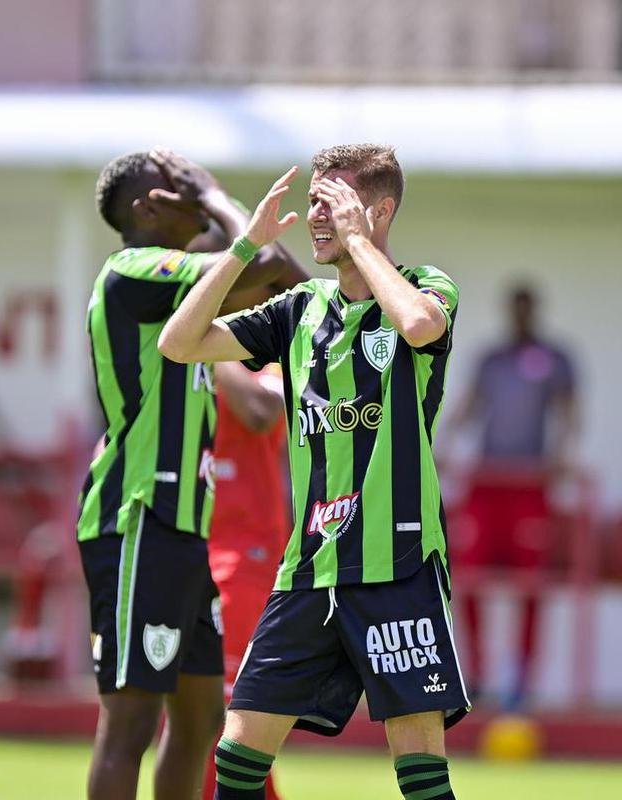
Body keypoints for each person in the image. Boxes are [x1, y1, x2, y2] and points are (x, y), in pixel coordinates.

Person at [160, 144, 468, 800]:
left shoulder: (426, 285)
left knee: (418, 765)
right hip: (307, 570)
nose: (316, 218)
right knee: (237, 753)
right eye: (313, 204)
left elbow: (416, 326)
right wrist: (245, 247)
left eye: (333, 203)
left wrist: (360, 244)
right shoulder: (297, 311)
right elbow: (178, 343)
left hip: (399, 566)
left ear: (379, 210)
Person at [79, 148, 304, 800]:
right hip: (135, 517)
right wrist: (212, 193)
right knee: (130, 722)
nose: (188, 196)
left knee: (201, 716)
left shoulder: (183, 285)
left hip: (183, 532)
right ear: (149, 209)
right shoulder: (135, 271)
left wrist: (216, 205)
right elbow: (261, 260)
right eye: (172, 189)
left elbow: (282, 276)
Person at [438, 284, 579, 709]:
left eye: (526, 308)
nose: (519, 316)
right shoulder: (491, 359)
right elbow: (469, 406)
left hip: (529, 484)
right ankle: (477, 670)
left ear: (535, 310)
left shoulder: (555, 358)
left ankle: (522, 674)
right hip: (487, 480)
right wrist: (443, 445)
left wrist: (561, 457)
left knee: (530, 580)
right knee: (470, 574)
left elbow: (569, 412)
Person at [200, 357, 289, 800]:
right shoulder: (186, 373)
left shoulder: (273, 368)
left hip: (245, 559)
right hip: (189, 551)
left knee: (225, 713)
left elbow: (261, 413)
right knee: (200, 715)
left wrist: (206, 348)